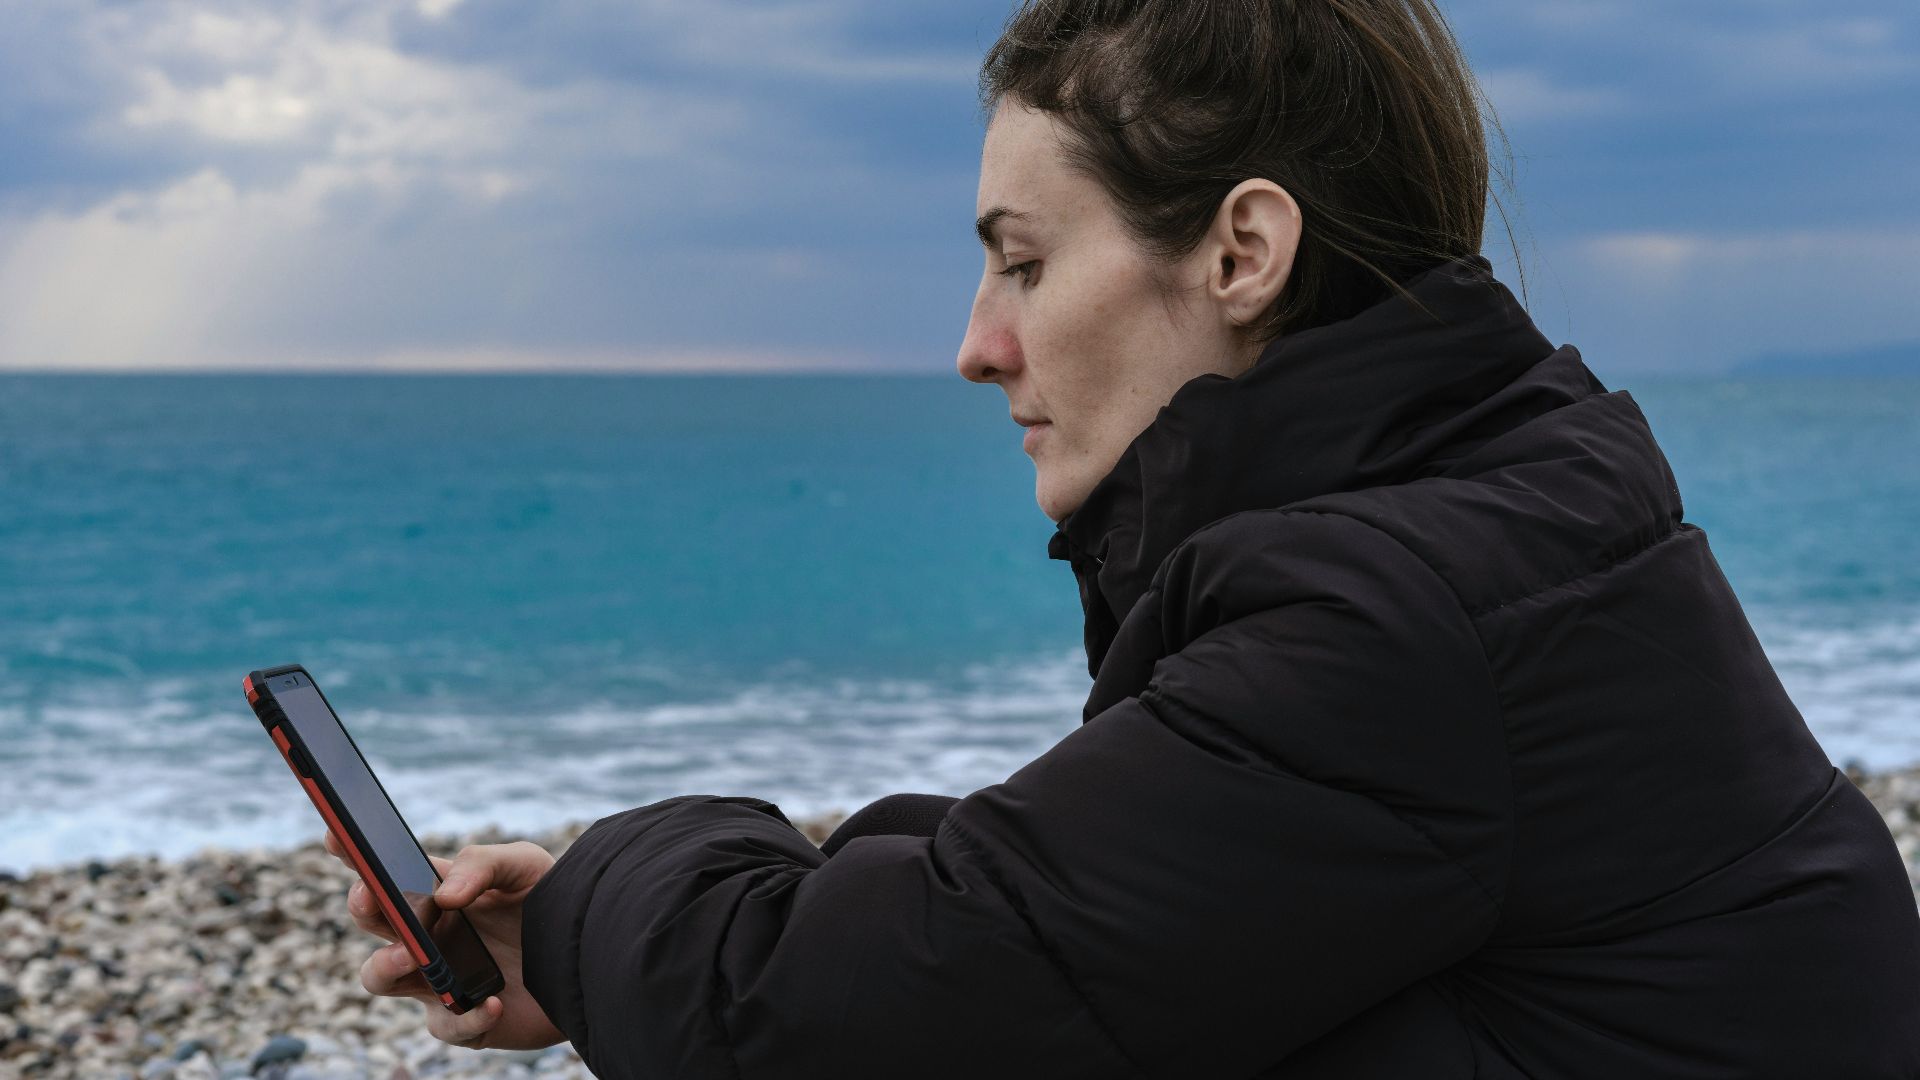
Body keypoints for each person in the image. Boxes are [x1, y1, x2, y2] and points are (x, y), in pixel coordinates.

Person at [327, 1, 1920, 1075]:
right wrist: (598, 945)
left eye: (1022, 263)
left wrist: (621, 874)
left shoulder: (1388, 610)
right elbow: (1116, 884)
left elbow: (842, 1021)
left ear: (1242, 247)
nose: (976, 344)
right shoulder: (1505, 494)